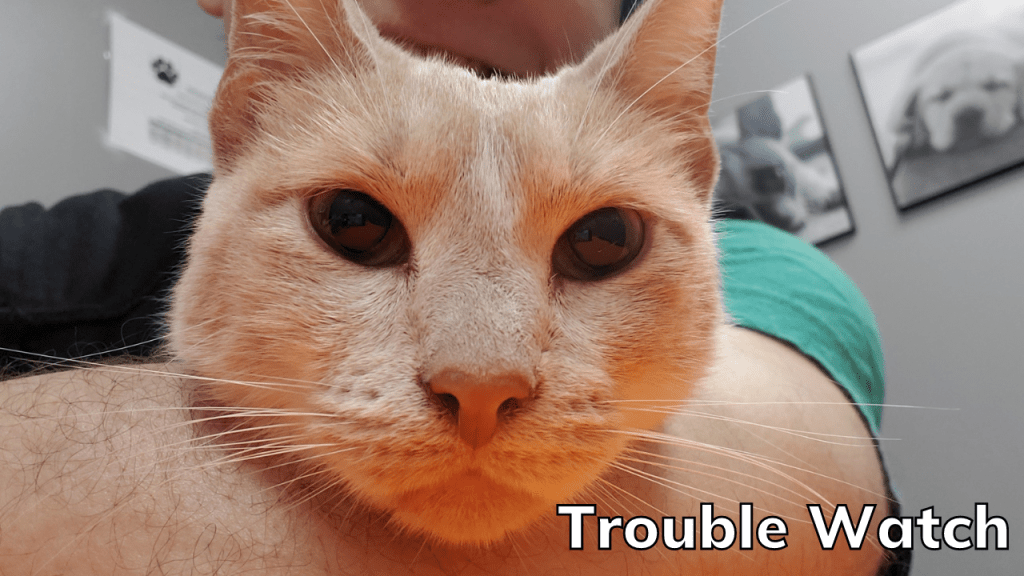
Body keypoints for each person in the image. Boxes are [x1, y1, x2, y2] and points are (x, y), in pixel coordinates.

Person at [0, 0, 908, 574]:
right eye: (356, 223)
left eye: (600, 245)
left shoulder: (771, 266)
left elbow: (813, 512)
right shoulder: (45, 255)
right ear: (247, 112)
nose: (481, 375)